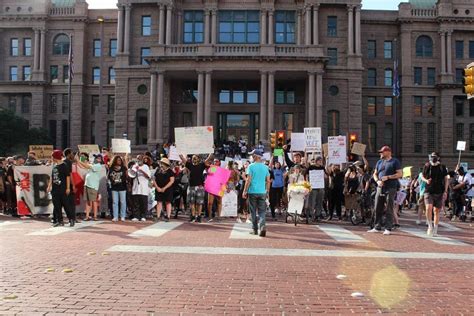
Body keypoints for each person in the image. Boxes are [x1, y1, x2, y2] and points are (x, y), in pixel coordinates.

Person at [368, 146, 402, 235]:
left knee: (389, 208)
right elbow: (375, 174)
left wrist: (388, 177)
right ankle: (377, 226)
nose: (381, 154)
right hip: (380, 187)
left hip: (390, 187)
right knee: (377, 207)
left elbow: (400, 174)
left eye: (382, 152)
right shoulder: (379, 162)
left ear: (388, 152)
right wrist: (377, 181)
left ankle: (388, 227)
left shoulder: (395, 161)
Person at [242, 149, 270, 237]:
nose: (251, 157)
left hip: (252, 191)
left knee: (253, 211)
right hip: (262, 192)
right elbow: (268, 181)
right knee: (262, 211)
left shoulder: (251, 166)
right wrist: (267, 191)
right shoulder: (265, 167)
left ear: (255, 156)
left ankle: (255, 229)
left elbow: (248, 180)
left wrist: (245, 191)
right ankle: (262, 227)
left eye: (252, 155)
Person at [421, 152, 448, 237]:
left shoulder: (442, 167)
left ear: (438, 157)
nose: (433, 158)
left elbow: (446, 179)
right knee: (428, 207)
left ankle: (435, 228)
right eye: (432, 156)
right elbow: (422, 175)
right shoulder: (427, 165)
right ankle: (430, 226)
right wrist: (426, 180)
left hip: (439, 191)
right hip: (428, 190)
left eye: (435, 156)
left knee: (436, 211)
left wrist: (445, 191)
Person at [180, 154, 212, 223]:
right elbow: (182, 158)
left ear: (198, 159)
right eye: (193, 158)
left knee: (199, 203)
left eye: (195, 158)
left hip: (200, 187)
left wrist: (211, 151)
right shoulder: (189, 165)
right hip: (191, 187)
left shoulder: (202, 165)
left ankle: (199, 216)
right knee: (191, 203)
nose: (193, 159)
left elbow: (209, 158)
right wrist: (179, 150)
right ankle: (193, 216)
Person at [47, 150, 73, 227]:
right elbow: (52, 177)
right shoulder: (54, 166)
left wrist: (68, 188)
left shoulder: (64, 165)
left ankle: (71, 219)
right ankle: (59, 221)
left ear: (56, 157)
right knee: (57, 205)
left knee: (66, 205)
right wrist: (49, 186)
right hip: (55, 189)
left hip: (63, 188)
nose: (51, 158)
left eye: (52, 156)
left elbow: (68, 177)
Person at [76, 154, 103, 221]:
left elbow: (86, 165)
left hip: (93, 186)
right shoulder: (92, 164)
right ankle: (87, 216)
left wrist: (78, 161)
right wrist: (80, 160)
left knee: (94, 201)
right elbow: (84, 166)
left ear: (101, 160)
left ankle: (95, 216)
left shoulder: (98, 166)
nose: (97, 159)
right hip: (87, 184)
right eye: (96, 158)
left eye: (99, 158)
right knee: (88, 201)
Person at [129, 155, 151, 222]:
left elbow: (148, 176)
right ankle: (136, 216)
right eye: (138, 159)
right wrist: (133, 170)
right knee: (136, 202)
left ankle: (143, 216)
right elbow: (131, 175)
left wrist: (141, 170)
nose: (139, 160)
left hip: (143, 188)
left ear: (143, 159)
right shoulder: (134, 166)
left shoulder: (146, 167)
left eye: (140, 159)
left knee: (143, 203)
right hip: (136, 187)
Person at [108, 155, 128, 222]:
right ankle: (115, 216)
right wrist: (113, 182)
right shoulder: (111, 168)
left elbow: (126, 177)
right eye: (118, 160)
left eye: (120, 160)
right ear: (115, 160)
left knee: (123, 202)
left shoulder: (124, 168)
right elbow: (109, 177)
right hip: (114, 187)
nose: (119, 161)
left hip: (122, 187)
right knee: (115, 202)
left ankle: (122, 216)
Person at [63, 148, 76, 224]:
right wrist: (73, 185)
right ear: (69, 154)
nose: (73, 155)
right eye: (72, 153)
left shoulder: (62, 161)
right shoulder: (68, 162)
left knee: (65, 202)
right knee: (71, 202)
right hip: (69, 185)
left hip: (63, 185)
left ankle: (70, 218)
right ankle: (72, 218)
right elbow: (70, 175)